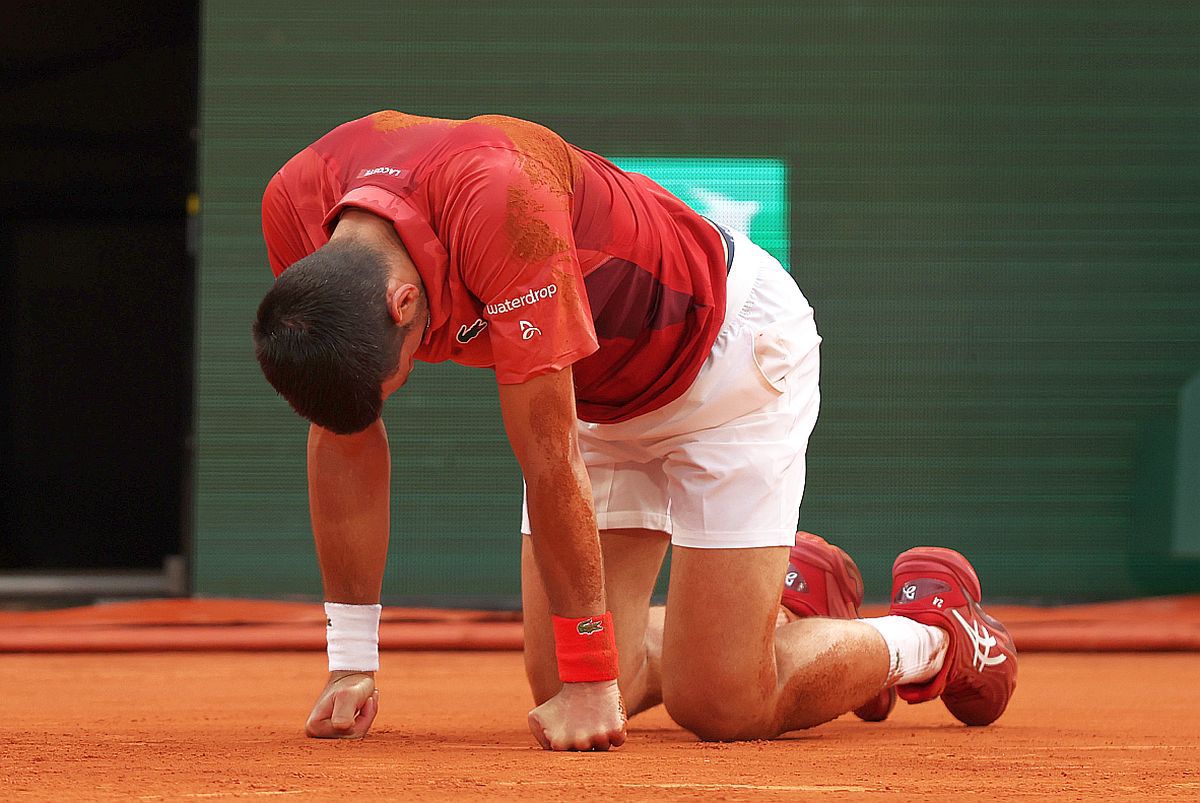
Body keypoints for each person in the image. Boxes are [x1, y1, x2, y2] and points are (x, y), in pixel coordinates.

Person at [252, 111, 1017, 750]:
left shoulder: (501, 199)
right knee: (561, 675)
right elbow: (343, 435)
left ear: (401, 305)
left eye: (400, 372)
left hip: (726, 364)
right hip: (594, 394)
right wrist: (352, 662)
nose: (400, 385)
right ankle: (787, 600)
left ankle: (935, 635)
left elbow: (550, 458)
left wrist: (594, 683)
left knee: (721, 704)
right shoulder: (297, 204)